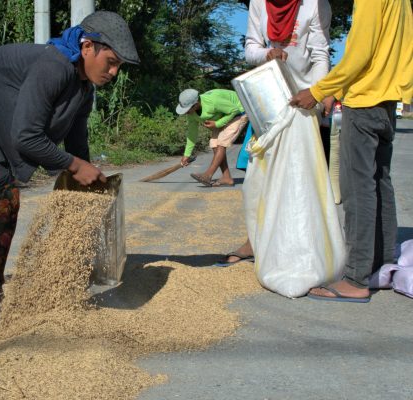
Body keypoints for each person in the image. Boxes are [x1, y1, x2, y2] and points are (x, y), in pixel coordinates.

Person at [0, 11, 139, 316]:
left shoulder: (84, 90)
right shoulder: (53, 67)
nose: (113, 72)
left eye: (119, 67)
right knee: (2, 193)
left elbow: (76, 143)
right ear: (87, 48)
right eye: (111, 62)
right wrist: (74, 166)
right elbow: (26, 138)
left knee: (0, 184)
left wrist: (86, 175)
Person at [291, 0, 412, 302]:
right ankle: (379, 264)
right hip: (386, 101)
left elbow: (360, 53)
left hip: (365, 101)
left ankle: (356, 278)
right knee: (379, 183)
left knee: (357, 189)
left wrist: (319, 90)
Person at [224, 0, 332, 265]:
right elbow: (251, 48)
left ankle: (302, 248)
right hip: (270, 96)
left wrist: (317, 95)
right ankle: (255, 241)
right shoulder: (259, 3)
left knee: (301, 175)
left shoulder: (317, 4)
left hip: (305, 99)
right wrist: (267, 54)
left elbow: (320, 55)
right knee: (259, 174)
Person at [176, 88, 248, 187]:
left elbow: (234, 110)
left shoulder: (213, 101)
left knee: (222, 142)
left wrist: (218, 123)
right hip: (223, 116)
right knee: (214, 144)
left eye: (187, 109)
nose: (186, 112)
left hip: (238, 112)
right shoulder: (192, 114)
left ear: (196, 104)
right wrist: (186, 155)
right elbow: (192, 133)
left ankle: (207, 175)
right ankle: (227, 178)